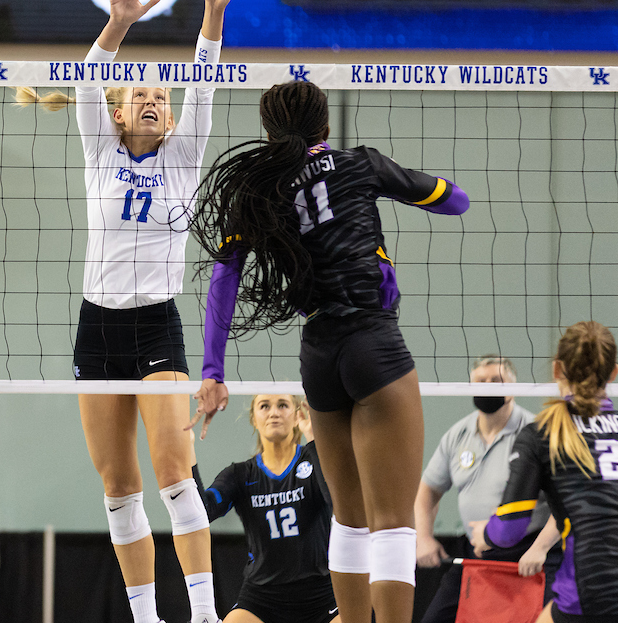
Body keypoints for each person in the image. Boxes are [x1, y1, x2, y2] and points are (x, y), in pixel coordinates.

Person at [188, 81, 470, 623]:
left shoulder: (257, 189)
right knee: (391, 521)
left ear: (269, 135)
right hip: (374, 342)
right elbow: (454, 201)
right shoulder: (360, 164)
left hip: (318, 353)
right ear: (325, 129)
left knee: (349, 518)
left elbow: (224, 277)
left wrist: (213, 370)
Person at [15, 0, 243, 623]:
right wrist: (118, 22)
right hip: (97, 328)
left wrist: (214, 10)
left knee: (175, 472)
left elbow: (203, 80)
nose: (155, 101)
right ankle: (145, 618)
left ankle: (202, 613)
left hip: (156, 326)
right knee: (118, 487)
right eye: (141, 95)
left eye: (161, 99)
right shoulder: (101, 151)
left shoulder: (184, 153)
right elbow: (89, 75)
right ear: (117, 114)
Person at [470, 321, 618, 623]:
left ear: (556, 370)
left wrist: (484, 533)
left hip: (593, 587)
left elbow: (509, 528)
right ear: (614, 372)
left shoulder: (542, 434)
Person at [416, 355, 561, 623]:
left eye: (496, 380)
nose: (488, 386)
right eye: (481, 381)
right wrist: (423, 536)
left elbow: (565, 504)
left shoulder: (537, 433)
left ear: (513, 386)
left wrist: (540, 549)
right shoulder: (457, 435)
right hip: (477, 554)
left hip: (530, 556)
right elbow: (428, 490)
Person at [202, 394, 341, 623]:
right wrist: (187, 461)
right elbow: (202, 512)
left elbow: (338, 500)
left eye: (283, 405)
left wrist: (315, 439)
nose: (274, 412)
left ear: (297, 416)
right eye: (264, 406)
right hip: (261, 598)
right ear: (254, 419)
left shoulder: (314, 458)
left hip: (321, 593)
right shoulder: (241, 475)